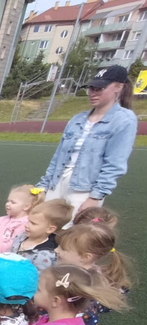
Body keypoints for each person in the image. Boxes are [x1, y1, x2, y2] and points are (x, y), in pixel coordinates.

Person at [37, 65, 137, 217]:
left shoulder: (124, 119)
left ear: (119, 87)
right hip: (57, 182)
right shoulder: (78, 119)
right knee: (44, 224)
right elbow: (58, 157)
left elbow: (114, 164)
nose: (93, 93)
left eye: (100, 89)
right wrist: (43, 186)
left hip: (84, 189)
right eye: (91, 88)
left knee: (74, 230)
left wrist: (95, 197)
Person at [55, 223, 132, 325]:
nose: (56, 250)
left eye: (63, 248)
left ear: (86, 257)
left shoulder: (77, 286)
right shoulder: (97, 276)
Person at [10, 199, 73, 271]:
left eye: (33, 223)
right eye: (28, 220)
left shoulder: (46, 256)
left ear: (50, 229)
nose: (26, 225)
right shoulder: (21, 236)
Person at [0, 185, 43, 254]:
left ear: (26, 207)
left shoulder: (25, 225)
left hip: (4, 257)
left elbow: (13, 245)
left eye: (13, 202)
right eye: (8, 201)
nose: (7, 204)